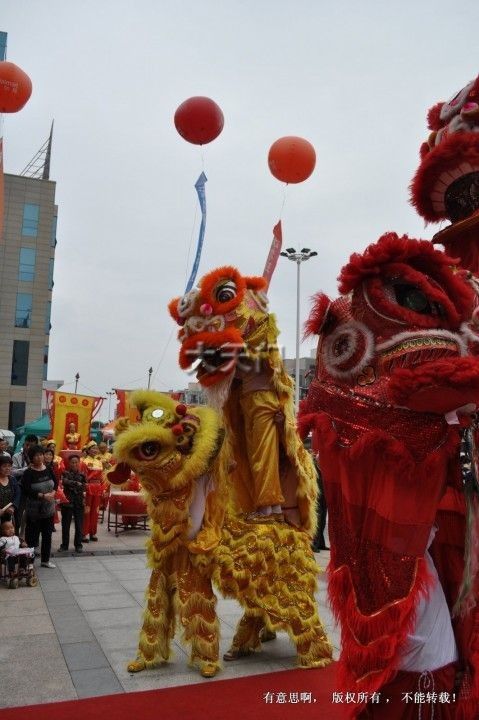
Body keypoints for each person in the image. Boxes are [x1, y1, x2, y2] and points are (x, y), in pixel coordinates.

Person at [23, 445, 57, 568]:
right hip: (34, 510)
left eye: (41, 454)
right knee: (32, 536)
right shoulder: (28, 473)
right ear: (31, 458)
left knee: (47, 535)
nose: (39, 457)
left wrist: (53, 493)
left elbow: (56, 483)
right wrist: (42, 495)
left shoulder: (48, 469)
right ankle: (29, 563)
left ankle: (45, 560)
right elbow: (26, 490)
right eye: (36, 455)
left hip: (48, 509)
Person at [12, 434, 38, 536]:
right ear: (23, 444)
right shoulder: (16, 456)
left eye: (31, 446)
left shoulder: (38, 457)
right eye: (27, 445)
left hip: (34, 490)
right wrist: (27, 469)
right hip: (20, 489)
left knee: (32, 516)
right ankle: (15, 536)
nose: (28, 447)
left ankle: (26, 537)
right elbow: (12, 472)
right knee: (18, 514)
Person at [59, 455, 86, 553]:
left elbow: (84, 486)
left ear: (79, 463)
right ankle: (64, 545)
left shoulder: (82, 475)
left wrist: (74, 484)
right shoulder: (65, 473)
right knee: (65, 525)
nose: (74, 464)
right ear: (69, 463)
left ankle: (78, 545)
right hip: (67, 502)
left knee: (79, 525)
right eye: (72, 462)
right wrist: (76, 484)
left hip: (79, 502)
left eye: (76, 462)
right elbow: (64, 482)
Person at [81, 441, 104, 543]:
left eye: (96, 448)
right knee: (86, 511)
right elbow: (83, 477)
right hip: (88, 487)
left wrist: (103, 488)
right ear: (88, 450)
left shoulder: (99, 462)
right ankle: (84, 534)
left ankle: (92, 533)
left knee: (96, 511)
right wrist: (83, 489)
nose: (95, 450)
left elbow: (102, 477)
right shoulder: (84, 462)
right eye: (93, 448)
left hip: (98, 488)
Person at [0, 519, 33, 585]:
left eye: (12, 528)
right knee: (10, 559)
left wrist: (23, 544)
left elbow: (21, 543)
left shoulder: (16, 537)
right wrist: (2, 549)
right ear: (3, 531)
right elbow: (0, 545)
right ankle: (11, 572)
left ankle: (22, 569)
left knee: (24, 556)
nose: (10, 530)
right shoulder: (3, 539)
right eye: (8, 529)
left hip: (18, 555)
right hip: (8, 556)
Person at [0, 456, 21, 531]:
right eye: (4, 466)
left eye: (9, 466)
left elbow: (17, 494)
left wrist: (13, 507)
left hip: (9, 514)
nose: (7, 468)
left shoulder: (12, 479)